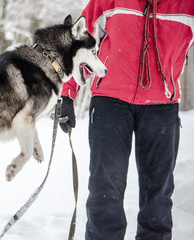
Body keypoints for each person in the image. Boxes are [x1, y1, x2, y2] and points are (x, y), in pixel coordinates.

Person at [59, 0, 194, 239]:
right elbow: (79, 43)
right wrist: (67, 92)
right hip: (111, 103)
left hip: (162, 107)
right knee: (105, 191)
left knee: (158, 197)